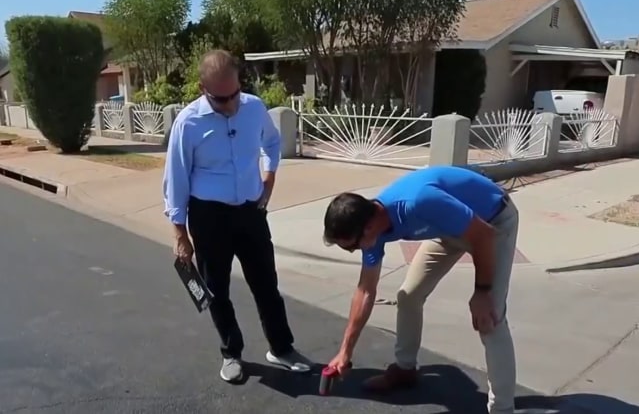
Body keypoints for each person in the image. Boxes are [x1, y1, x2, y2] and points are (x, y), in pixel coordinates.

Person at [163, 49, 310, 382]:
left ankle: (281, 348)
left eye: (234, 94)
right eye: (220, 99)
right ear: (202, 88)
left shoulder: (254, 108)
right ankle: (231, 353)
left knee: (266, 284)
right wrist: (179, 234)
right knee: (216, 290)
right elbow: (176, 179)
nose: (230, 105)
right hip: (209, 217)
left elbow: (271, 143)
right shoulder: (188, 122)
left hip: (250, 211)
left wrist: (269, 179)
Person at [322, 165, 520, 414]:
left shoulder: (419, 202)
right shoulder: (373, 229)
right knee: (409, 296)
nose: (353, 251)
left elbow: (483, 235)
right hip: (447, 229)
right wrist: (345, 352)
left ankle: (502, 408)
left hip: (493, 222)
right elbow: (365, 291)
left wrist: (482, 291)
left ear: (368, 228)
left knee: (490, 317)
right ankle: (405, 370)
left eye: (350, 246)